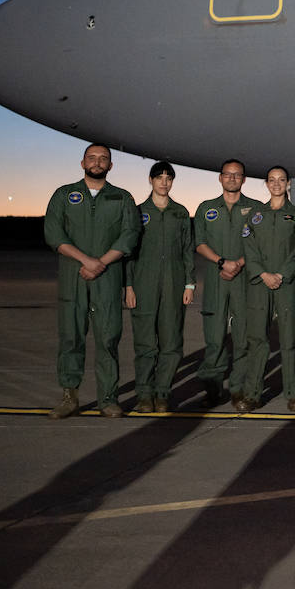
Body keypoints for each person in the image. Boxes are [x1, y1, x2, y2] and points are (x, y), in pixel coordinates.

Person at [42, 143, 140, 418]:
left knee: (108, 338)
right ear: (83, 163)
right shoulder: (64, 194)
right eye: (92, 158)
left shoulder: (122, 198)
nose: (97, 162)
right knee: (71, 337)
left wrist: (102, 263)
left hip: (108, 279)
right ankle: (69, 397)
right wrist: (86, 261)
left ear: (110, 166)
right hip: (73, 276)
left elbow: (130, 234)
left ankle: (108, 399)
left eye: (103, 159)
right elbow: (53, 233)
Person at [124, 161, 195, 414]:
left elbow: (188, 250)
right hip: (144, 284)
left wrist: (189, 284)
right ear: (150, 181)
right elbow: (128, 252)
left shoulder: (181, 213)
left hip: (174, 284)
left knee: (172, 342)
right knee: (145, 344)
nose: (164, 182)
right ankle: (144, 394)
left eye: (168, 177)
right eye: (159, 177)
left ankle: (163, 393)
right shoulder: (137, 212)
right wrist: (129, 285)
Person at [193, 159, 264, 408]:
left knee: (243, 337)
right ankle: (212, 388)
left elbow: (260, 243)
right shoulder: (206, 208)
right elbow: (199, 242)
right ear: (220, 178)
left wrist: (239, 263)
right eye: (228, 174)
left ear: (244, 179)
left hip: (244, 280)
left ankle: (238, 389)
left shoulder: (256, 209)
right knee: (214, 336)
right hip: (216, 278)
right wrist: (222, 262)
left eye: (238, 175)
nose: (232, 178)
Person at [241, 165, 295, 412]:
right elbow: (249, 246)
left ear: (288, 183)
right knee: (257, 339)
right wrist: (263, 273)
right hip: (259, 283)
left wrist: (282, 274)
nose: (276, 184)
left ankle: (293, 394)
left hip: (287, 284)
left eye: (281, 180)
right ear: (266, 184)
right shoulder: (255, 215)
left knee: (290, 338)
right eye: (271, 180)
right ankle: (252, 394)